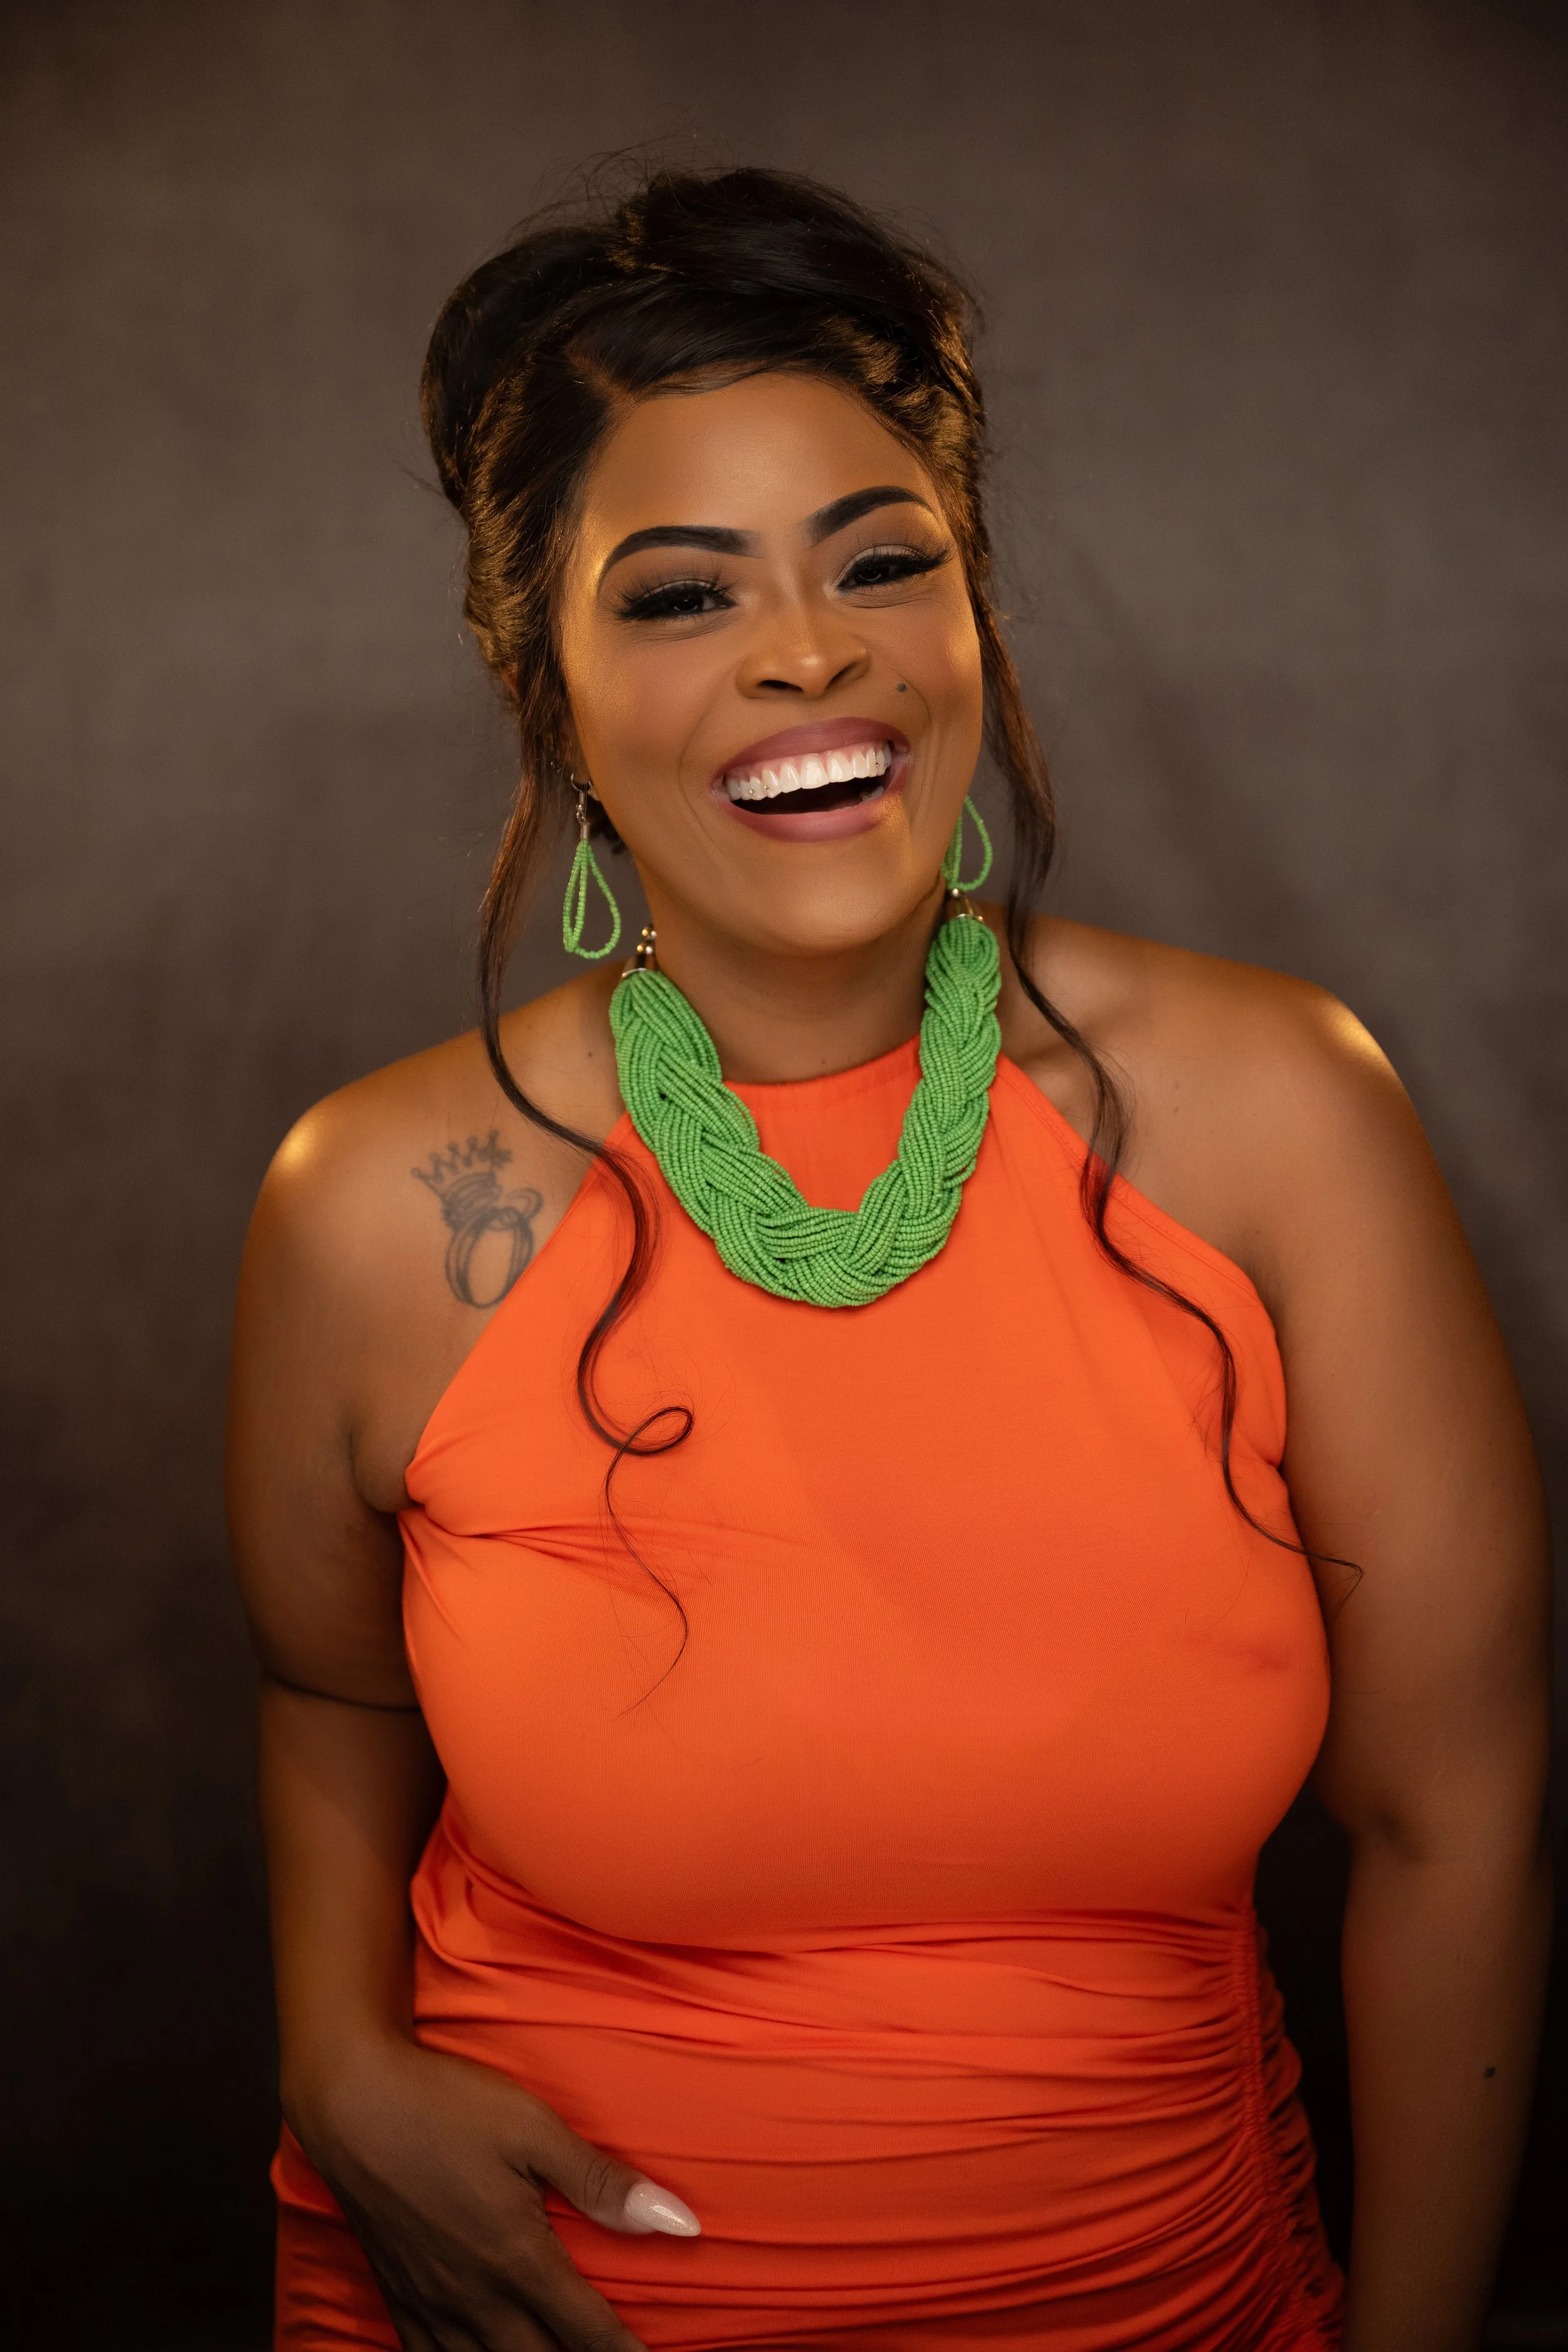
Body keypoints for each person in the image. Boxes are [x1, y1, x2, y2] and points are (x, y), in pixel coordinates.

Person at [226, 166, 1550, 2352]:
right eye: (676, 595)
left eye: (882, 561)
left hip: (1173, 2296)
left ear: (971, 616)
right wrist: (332, 2054)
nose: (808, 650)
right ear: (545, 690)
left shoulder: (1280, 1117)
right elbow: (330, 1684)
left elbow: (1454, 1810)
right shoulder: (375, 1202)